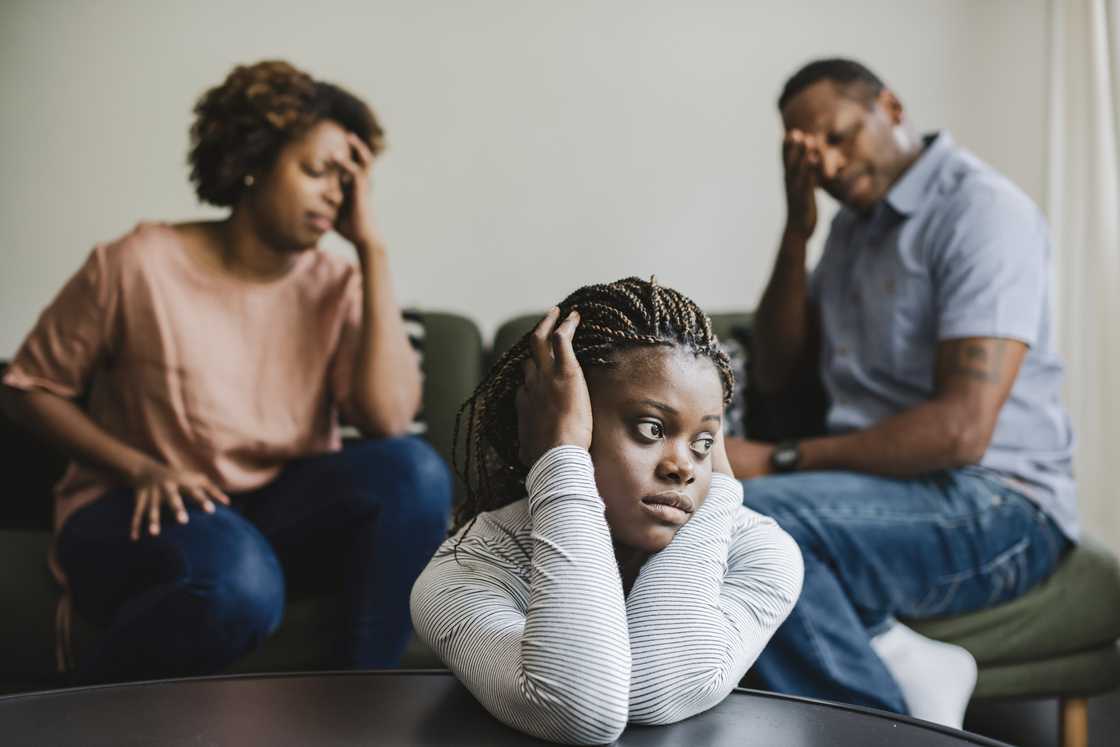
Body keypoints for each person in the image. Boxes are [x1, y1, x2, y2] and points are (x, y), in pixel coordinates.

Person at [0, 60, 452, 682]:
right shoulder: (138, 264)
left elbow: (388, 420)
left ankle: (362, 703)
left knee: (415, 470)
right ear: (252, 161)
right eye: (317, 171)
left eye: (348, 182)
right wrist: (139, 466)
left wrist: (371, 251)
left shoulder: (337, 282)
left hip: (275, 508)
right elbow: (28, 389)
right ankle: (71, 714)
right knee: (239, 582)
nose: (335, 194)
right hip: (141, 503)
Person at [725, 58, 1076, 728]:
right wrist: (797, 231)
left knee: (758, 523)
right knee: (721, 513)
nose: (829, 165)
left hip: (1000, 502)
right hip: (887, 489)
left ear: (890, 107)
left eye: (839, 136)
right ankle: (901, 661)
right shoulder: (851, 230)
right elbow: (773, 371)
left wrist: (778, 460)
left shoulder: (982, 213)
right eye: (809, 155)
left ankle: (887, 734)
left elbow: (961, 431)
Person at [410, 279, 804, 745]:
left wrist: (719, 493)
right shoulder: (468, 566)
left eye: (704, 442)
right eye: (651, 428)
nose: (683, 467)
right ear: (557, 422)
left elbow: (655, 688)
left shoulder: (760, 552)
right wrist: (559, 459)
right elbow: (579, 709)